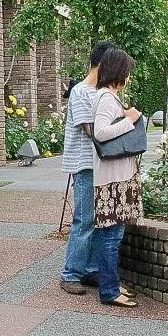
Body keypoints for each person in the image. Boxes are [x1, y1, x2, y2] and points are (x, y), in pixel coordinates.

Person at [60, 41, 114, 295]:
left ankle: (90, 270)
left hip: (100, 164)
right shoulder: (82, 92)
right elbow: (91, 130)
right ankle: (71, 273)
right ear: (103, 64)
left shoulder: (100, 92)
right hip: (84, 164)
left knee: (98, 220)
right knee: (85, 219)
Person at [91, 47, 144, 308]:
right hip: (113, 179)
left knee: (112, 235)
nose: (129, 77)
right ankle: (109, 291)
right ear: (118, 72)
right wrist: (130, 119)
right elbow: (100, 132)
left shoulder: (108, 97)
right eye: (128, 72)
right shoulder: (106, 98)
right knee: (110, 236)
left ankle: (111, 286)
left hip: (116, 178)